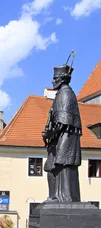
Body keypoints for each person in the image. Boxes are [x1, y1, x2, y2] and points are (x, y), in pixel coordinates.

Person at [42, 62, 82, 202]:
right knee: (51, 168)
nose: (53, 80)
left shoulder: (66, 94)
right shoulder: (61, 93)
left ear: (63, 78)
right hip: (58, 140)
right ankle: (54, 196)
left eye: (55, 78)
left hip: (65, 140)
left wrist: (48, 134)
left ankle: (62, 197)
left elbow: (63, 121)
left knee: (60, 167)